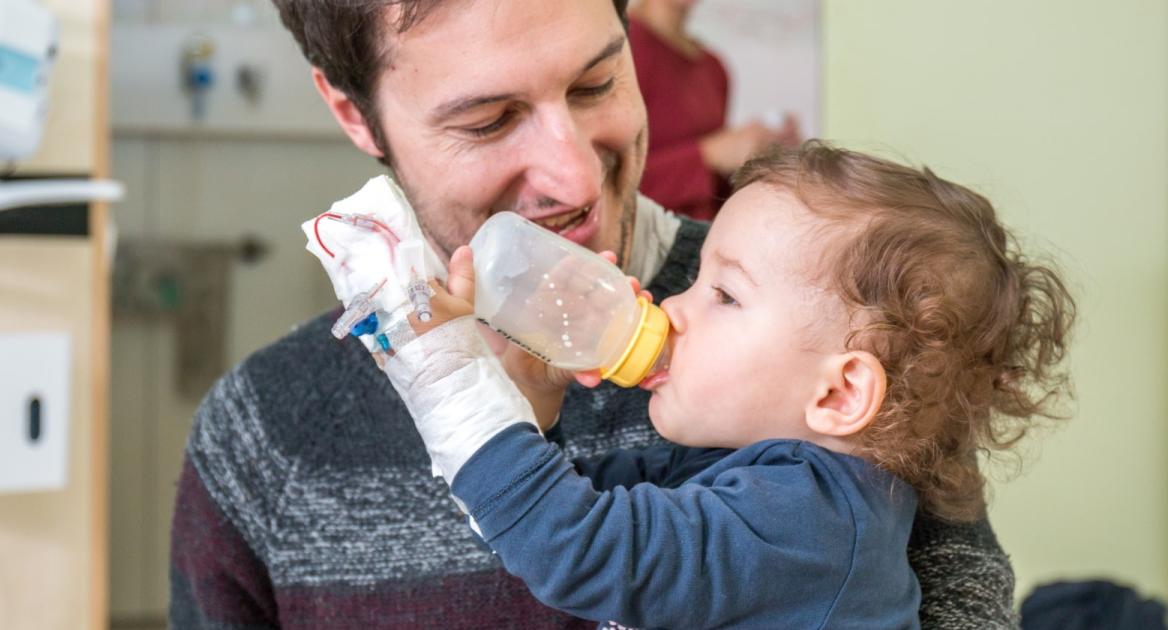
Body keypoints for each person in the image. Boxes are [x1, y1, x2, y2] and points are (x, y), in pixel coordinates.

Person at [169, 1, 1023, 627]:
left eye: (597, 83)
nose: (575, 179)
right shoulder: (264, 437)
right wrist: (522, 426)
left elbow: (590, 544)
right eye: (490, 118)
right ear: (354, 112)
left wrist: (451, 387)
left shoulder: (861, 345)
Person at [374, 141, 1076, 629]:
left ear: (838, 395)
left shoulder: (812, 525)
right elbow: (550, 513)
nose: (674, 305)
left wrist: (452, 381)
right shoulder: (748, 471)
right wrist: (535, 404)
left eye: (725, 295)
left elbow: (576, 547)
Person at [628, 0, 800, 221]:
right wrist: (709, 155)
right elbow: (610, 186)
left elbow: (715, 191)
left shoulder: (713, 67)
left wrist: (760, 157)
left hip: (698, 238)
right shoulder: (622, 50)